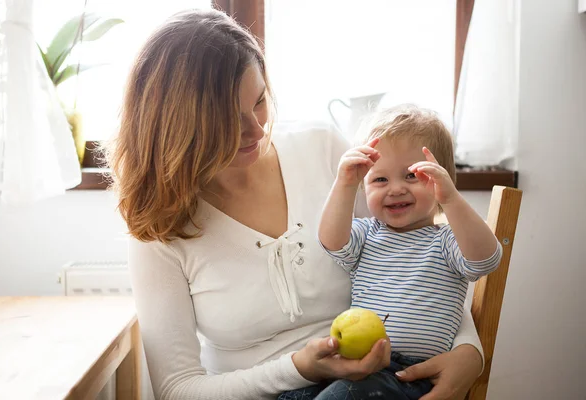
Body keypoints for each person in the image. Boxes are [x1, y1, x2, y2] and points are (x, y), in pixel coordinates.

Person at [106, 8, 485, 400]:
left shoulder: (323, 150)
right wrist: (297, 369)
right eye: (228, 118)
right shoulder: (158, 223)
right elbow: (177, 388)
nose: (255, 130)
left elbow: (422, 258)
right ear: (178, 124)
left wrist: (469, 351)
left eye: (258, 102)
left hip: (374, 386)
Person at [279, 105, 501, 400]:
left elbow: (486, 260)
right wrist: (344, 183)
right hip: (359, 365)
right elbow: (331, 241)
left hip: (413, 374)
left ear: (441, 180)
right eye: (379, 180)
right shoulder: (366, 234)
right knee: (292, 396)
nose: (395, 189)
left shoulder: (448, 241)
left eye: (411, 176)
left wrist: (452, 200)